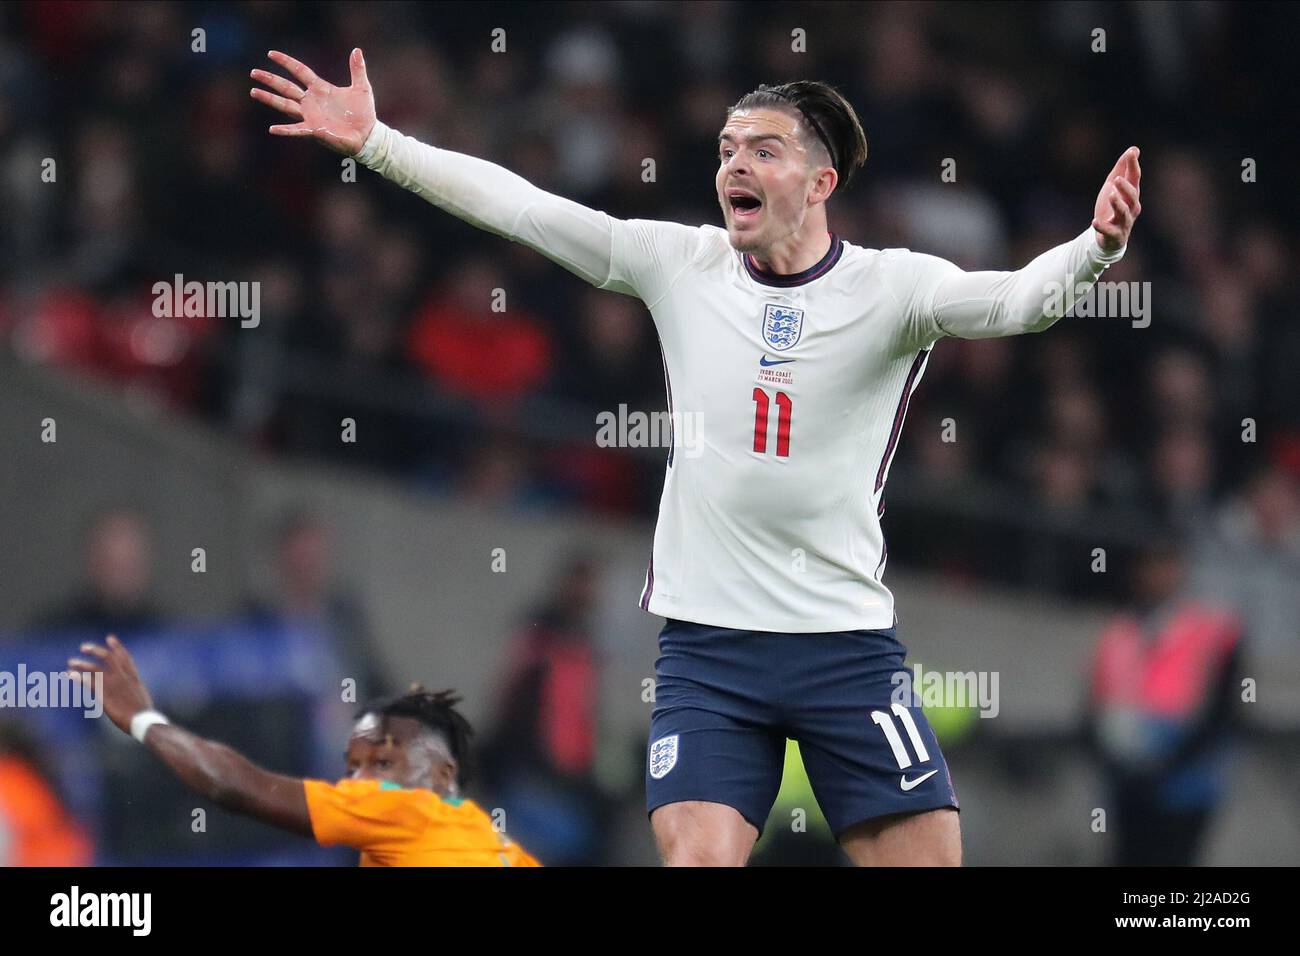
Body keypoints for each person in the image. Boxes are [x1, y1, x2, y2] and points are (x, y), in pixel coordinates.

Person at [251, 50, 1140, 866]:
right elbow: (525, 208)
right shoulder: (680, 264)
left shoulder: (893, 289)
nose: (735, 166)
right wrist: (377, 142)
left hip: (845, 646)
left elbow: (1019, 301)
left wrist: (1095, 248)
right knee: (698, 862)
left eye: (764, 148)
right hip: (711, 650)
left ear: (821, 180)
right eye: (725, 149)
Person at [66, 635, 539, 867]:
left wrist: (144, 720)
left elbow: (234, 785)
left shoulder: (406, 813)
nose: (360, 782)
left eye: (384, 764)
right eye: (354, 767)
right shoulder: (492, 845)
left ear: (440, 775)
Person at [1083, 539, 1244, 865]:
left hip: (1186, 783)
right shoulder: (1119, 630)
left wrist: (1167, 764)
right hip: (1128, 781)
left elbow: (1223, 712)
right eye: (1151, 565)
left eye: (1167, 564)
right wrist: (1118, 763)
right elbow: (1095, 706)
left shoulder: (1214, 629)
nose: (1159, 575)